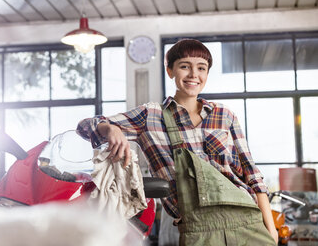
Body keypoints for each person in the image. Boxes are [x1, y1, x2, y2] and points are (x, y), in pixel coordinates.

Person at [77, 39, 278, 245]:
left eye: (201, 68)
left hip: (249, 222)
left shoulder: (224, 115)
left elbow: (252, 174)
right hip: (199, 230)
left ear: (207, 74)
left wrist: (270, 228)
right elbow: (85, 126)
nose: (193, 74)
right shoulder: (150, 116)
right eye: (184, 66)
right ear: (170, 71)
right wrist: (109, 127)